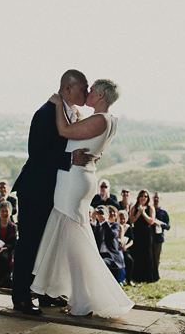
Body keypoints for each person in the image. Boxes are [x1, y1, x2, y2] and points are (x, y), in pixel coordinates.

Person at [31, 78, 133, 318]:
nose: (86, 93)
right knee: (74, 239)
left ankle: (83, 299)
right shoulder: (109, 121)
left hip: (73, 180)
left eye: (90, 91)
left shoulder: (99, 119)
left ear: (99, 95)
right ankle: (78, 295)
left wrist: (58, 104)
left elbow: (64, 132)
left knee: (74, 243)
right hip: (82, 177)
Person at [11, 69, 94, 316]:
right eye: (83, 87)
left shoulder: (69, 114)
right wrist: (70, 158)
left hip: (57, 191)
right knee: (30, 241)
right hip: (35, 189)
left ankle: (46, 293)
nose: (86, 92)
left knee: (51, 242)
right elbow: (35, 153)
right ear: (68, 88)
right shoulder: (45, 113)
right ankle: (22, 296)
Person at [129, 189, 159, 283]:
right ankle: (137, 276)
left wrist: (143, 213)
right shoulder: (134, 207)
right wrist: (138, 213)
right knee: (137, 253)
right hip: (137, 232)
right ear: (138, 197)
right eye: (141, 196)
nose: (143, 198)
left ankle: (148, 276)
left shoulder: (150, 208)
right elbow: (131, 220)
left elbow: (151, 221)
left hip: (146, 232)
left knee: (147, 253)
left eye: (145, 196)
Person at [93, 205, 125, 284]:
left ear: (108, 215)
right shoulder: (97, 227)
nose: (101, 215)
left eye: (103, 213)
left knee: (102, 263)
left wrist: (104, 221)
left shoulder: (115, 225)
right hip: (99, 254)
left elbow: (112, 235)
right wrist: (93, 218)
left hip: (111, 256)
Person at [152, 192, 170, 272]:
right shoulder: (149, 210)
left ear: (160, 199)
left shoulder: (164, 212)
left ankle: (156, 273)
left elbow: (168, 227)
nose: (156, 199)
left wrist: (161, 223)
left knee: (156, 258)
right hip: (149, 237)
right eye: (155, 197)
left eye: (157, 198)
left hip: (159, 238)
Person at [118, 209, 135, 286]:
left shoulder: (129, 228)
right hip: (117, 249)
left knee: (129, 260)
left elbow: (131, 240)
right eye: (121, 219)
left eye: (124, 219)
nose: (122, 220)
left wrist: (126, 247)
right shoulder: (116, 226)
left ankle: (129, 279)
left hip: (125, 249)